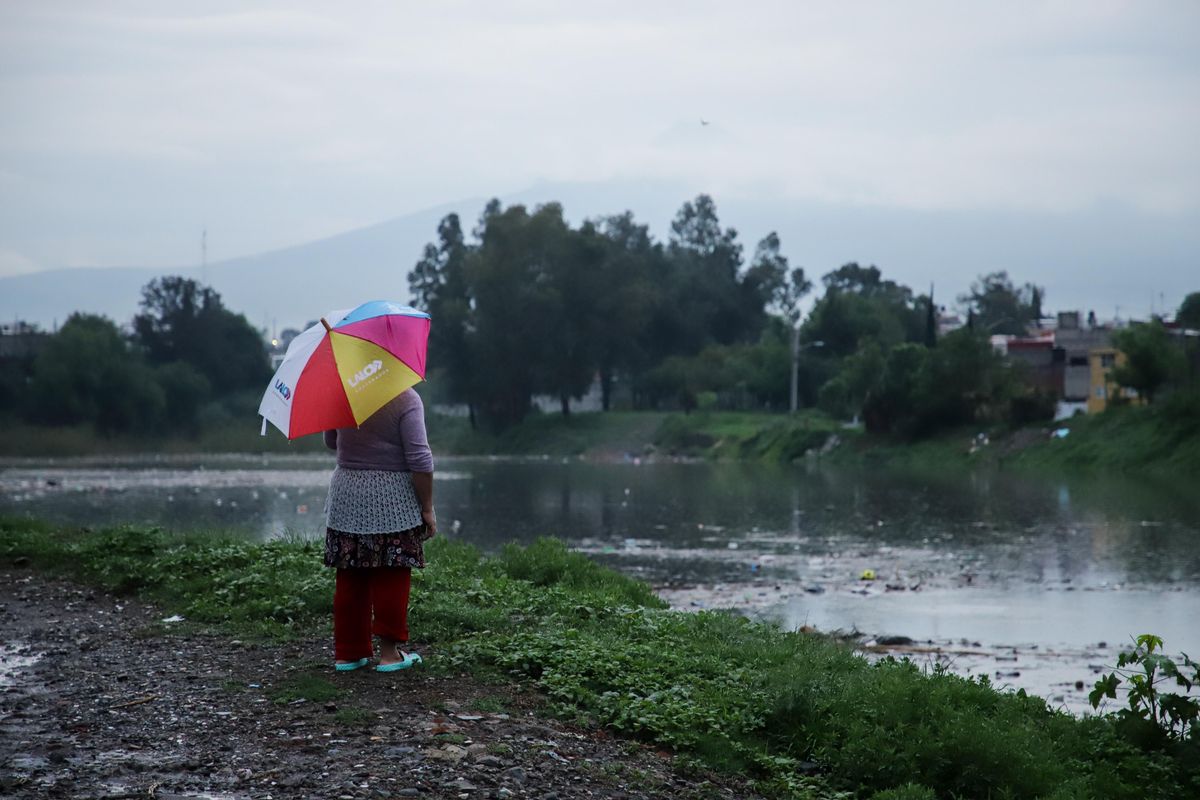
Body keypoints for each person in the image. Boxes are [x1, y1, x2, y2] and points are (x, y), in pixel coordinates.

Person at [322, 388, 436, 672]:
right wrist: (427, 507)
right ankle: (389, 654)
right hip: (393, 500)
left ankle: (348, 654)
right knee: (392, 575)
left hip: (347, 496)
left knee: (349, 575)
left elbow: (331, 441)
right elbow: (420, 459)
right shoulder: (406, 399)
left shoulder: (341, 392)